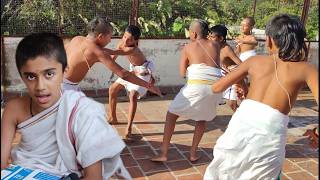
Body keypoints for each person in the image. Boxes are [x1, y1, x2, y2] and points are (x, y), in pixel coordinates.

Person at [1, 33, 132, 179]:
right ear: (21, 76)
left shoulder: (83, 112)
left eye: (49, 74)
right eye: (31, 76)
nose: (40, 87)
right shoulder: (14, 109)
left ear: (64, 71)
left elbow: (94, 177)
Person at [204, 14, 318, 179]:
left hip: (240, 126)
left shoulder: (254, 61)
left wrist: (241, 82)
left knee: (225, 172)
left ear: (269, 40)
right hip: (269, 137)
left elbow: (216, 87)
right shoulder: (307, 69)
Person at [151, 19, 222, 162]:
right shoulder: (216, 44)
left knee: (172, 115)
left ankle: (164, 153)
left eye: (190, 33)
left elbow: (183, 73)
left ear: (194, 33)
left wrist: (188, 54)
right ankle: (193, 154)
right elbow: (216, 66)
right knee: (202, 118)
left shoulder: (188, 47)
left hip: (197, 86)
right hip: (216, 88)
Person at [63, 16, 161, 97]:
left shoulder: (77, 39)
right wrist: (149, 86)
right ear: (100, 36)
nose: (110, 41)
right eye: (109, 37)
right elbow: (124, 74)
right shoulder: (98, 52)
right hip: (65, 88)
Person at [103, 25, 157, 141]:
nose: (126, 41)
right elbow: (112, 57)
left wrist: (96, 48)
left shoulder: (134, 49)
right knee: (112, 89)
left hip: (142, 74)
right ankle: (113, 117)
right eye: (124, 37)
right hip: (132, 72)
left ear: (136, 41)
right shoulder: (122, 44)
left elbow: (114, 51)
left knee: (133, 96)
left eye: (130, 39)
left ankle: (128, 130)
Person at [209, 24, 243, 111]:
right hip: (226, 78)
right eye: (209, 36)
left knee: (232, 104)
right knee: (232, 104)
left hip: (233, 77)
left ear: (220, 38)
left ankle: (244, 119)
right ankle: (243, 116)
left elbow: (241, 64)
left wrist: (233, 72)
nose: (209, 38)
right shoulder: (216, 47)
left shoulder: (226, 49)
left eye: (212, 37)